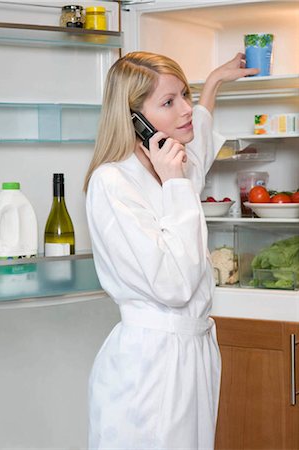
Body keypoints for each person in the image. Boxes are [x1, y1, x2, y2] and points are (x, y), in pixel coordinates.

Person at [84, 52, 258, 450]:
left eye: (186, 94)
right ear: (134, 119)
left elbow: (201, 142)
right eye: (168, 102)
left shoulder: (170, 164)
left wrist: (212, 83)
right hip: (151, 364)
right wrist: (177, 185)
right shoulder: (114, 183)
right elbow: (174, 286)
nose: (186, 110)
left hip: (192, 354)